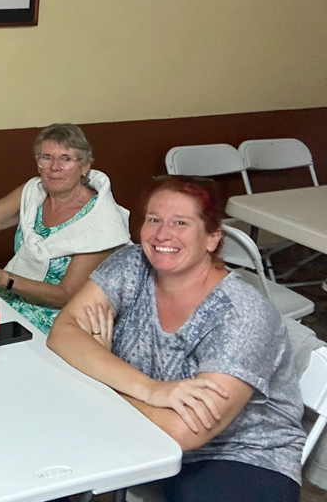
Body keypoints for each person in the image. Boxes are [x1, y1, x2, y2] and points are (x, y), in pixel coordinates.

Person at [48, 176, 305, 501]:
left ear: (213, 238)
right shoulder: (132, 264)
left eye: (180, 222)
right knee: (40, 465)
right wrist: (151, 390)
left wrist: (104, 380)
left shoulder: (241, 315)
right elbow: (64, 332)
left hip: (237, 455)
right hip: (142, 424)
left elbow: (183, 432)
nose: (162, 234)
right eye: (154, 219)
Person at [0, 123, 128, 333]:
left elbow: (66, 295)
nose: (55, 167)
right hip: (11, 301)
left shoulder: (100, 219)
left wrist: (4, 278)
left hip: (61, 321)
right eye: (46, 157)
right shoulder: (33, 192)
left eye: (66, 159)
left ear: (85, 165)